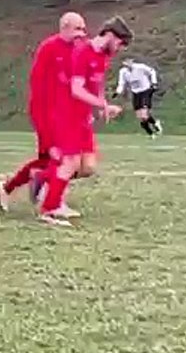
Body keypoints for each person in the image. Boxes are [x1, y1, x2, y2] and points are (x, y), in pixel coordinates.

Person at [39, 16, 133, 227]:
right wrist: (102, 105)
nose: (119, 48)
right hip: (67, 114)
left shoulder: (103, 56)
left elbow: (96, 84)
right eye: (119, 43)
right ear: (110, 35)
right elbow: (76, 89)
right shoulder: (82, 52)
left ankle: (44, 179)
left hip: (83, 117)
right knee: (70, 162)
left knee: (88, 167)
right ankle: (49, 209)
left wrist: (102, 106)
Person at [0, 12, 86, 212]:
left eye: (83, 29)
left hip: (66, 114)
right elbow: (38, 85)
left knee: (49, 160)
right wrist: (43, 119)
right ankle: (52, 198)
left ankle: (9, 187)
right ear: (64, 27)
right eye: (77, 29)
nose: (82, 34)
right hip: (46, 112)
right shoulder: (49, 48)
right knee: (59, 157)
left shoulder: (79, 50)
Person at [115, 58, 163, 137]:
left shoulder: (140, 67)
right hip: (136, 93)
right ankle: (151, 133)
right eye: (125, 62)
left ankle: (155, 126)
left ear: (132, 62)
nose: (127, 64)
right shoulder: (123, 72)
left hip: (145, 91)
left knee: (144, 115)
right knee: (141, 117)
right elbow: (121, 83)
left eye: (129, 61)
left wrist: (154, 83)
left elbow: (152, 71)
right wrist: (118, 92)